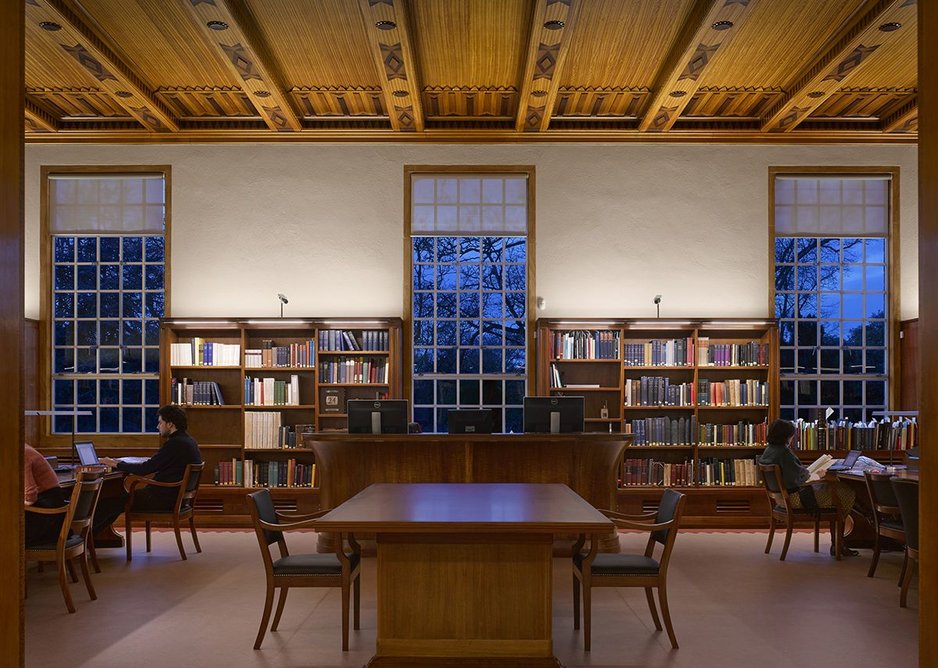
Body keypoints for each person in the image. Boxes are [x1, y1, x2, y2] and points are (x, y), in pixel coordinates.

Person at [94, 405, 202, 534]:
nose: (158, 427)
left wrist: (114, 463)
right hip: (175, 497)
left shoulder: (175, 444)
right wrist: (119, 463)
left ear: (170, 424)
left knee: (108, 503)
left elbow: (145, 469)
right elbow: (157, 464)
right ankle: (92, 538)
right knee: (115, 502)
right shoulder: (188, 441)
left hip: (162, 498)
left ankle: (84, 539)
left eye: (160, 423)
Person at [759, 418, 858, 556]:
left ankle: (838, 543)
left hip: (781, 499)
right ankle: (838, 544)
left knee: (835, 492)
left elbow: (793, 473)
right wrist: (819, 475)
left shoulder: (769, 450)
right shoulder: (784, 453)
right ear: (787, 436)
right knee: (845, 492)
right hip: (795, 500)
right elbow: (801, 478)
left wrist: (808, 473)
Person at [24, 444, 67, 546]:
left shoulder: (20, 454)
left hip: (48, 521)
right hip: (53, 516)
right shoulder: (23, 448)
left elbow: (30, 497)